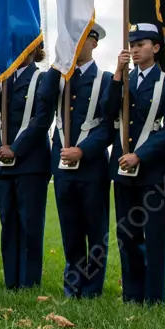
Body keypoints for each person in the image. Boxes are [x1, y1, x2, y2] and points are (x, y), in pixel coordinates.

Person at [101, 24, 165, 305]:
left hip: (152, 170)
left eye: (141, 44)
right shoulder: (123, 80)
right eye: (131, 45)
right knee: (128, 235)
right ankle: (132, 294)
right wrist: (117, 75)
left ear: (156, 48)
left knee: (156, 236)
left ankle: (154, 296)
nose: (134, 49)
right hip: (123, 169)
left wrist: (140, 155)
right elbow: (108, 113)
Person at [33, 23, 113, 298]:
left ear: (94, 43)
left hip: (92, 167)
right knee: (70, 228)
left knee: (95, 230)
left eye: (82, 40)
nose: (77, 45)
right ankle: (72, 285)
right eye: (72, 41)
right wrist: (58, 65)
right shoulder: (57, 79)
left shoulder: (105, 79)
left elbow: (108, 126)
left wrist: (84, 150)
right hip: (63, 167)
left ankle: (92, 288)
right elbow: (43, 102)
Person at [0, 44, 51, 290]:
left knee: (30, 224)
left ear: (33, 49)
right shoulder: (2, 78)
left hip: (30, 162)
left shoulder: (43, 78)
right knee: (9, 223)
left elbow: (42, 119)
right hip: (3, 163)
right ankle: (11, 280)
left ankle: (29, 281)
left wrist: (16, 148)